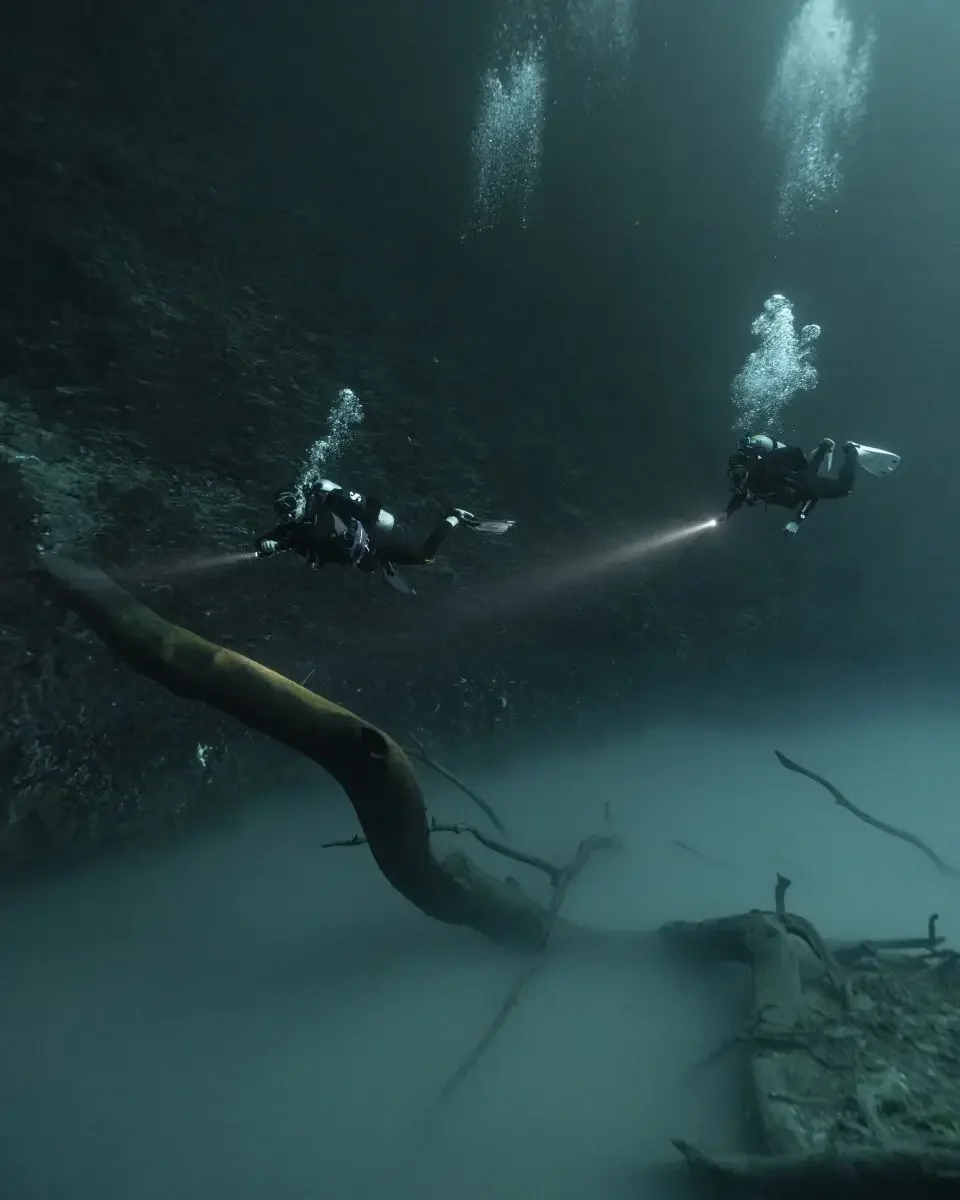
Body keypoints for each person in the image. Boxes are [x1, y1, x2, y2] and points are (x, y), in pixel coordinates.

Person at [255, 478, 515, 592]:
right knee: (368, 564)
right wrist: (267, 545)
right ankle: (379, 560)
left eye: (290, 507)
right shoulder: (289, 531)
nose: (288, 515)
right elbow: (262, 542)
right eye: (282, 512)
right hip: (365, 554)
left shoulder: (328, 502)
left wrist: (363, 518)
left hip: (375, 541)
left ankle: (454, 517)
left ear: (301, 499)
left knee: (425, 557)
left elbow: (367, 510)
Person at [719, 434, 859, 536]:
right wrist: (727, 513)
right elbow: (740, 495)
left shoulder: (777, 476)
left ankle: (852, 450)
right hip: (796, 474)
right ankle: (824, 447)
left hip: (797, 477)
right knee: (810, 472)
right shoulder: (748, 480)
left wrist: (798, 520)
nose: (742, 488)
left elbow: (812, 495)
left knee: (845, 489)